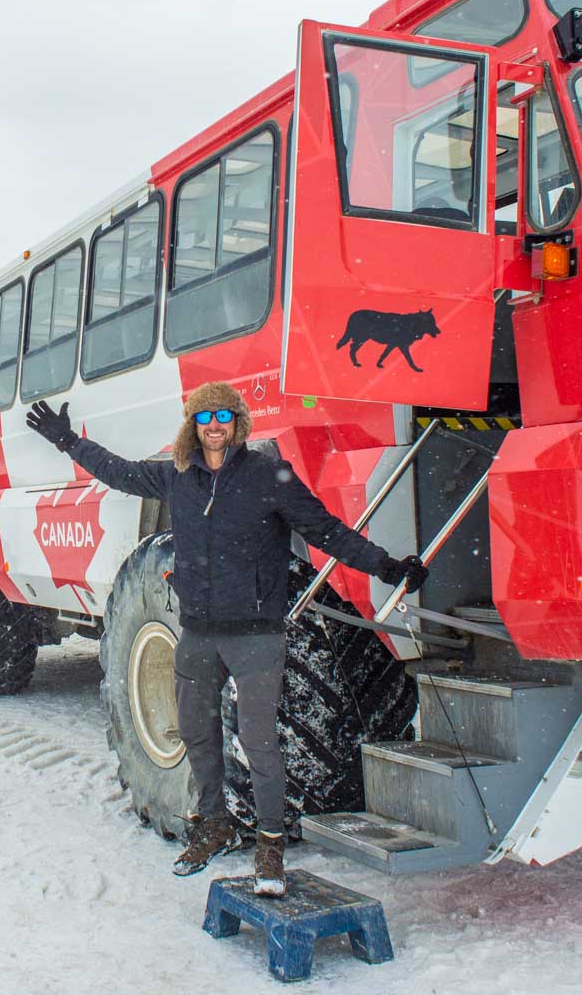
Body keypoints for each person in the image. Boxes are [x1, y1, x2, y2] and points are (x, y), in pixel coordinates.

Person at [26, 381, 426, 896]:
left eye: (223, 416)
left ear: (237, 424)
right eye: (204, 416)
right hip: (198, 635)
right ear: (193, 424)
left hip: (257, 637)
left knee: (259, 744)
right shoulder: (177, 475)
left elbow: (329, 532)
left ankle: (269, 848)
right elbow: (120, 473)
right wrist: (68, 442)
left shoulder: (268, 476)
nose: (214, 425)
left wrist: (389, 567)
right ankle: (212, 826)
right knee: (197, 734)